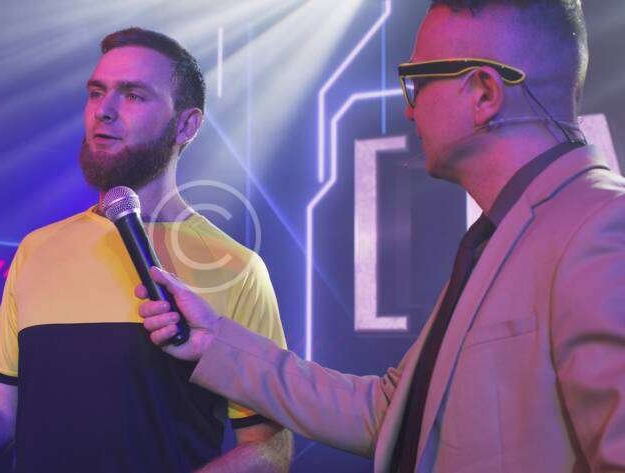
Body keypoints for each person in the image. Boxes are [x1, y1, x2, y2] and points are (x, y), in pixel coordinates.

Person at [138, 1, 625, 472]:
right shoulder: (504, 234)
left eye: (418, 82)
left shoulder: (604, 228)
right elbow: (392, 414)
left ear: (483, 93)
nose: (410, 112)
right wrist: (213, 341)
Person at [0, 28, 291, 473]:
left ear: (187, 125)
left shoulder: (236, 267)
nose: (104, 111)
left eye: (133, 95)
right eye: (96, 93)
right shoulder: (38, 250)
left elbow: (269, 447)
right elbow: (0, 403)